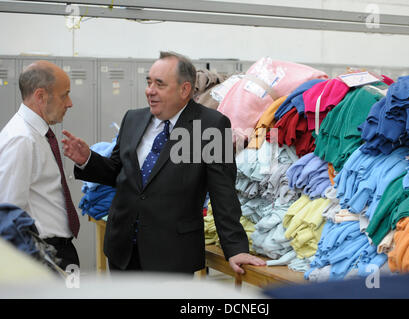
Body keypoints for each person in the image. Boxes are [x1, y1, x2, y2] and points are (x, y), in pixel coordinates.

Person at [62, 51, 266, 274]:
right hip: (122, 249)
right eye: (149, 82)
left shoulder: (210, 125)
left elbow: (222, 191)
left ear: (184, 89)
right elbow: (118, 173)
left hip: (173, 255)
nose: (150, 90)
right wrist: (87, 160)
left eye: (159, 84)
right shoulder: (133, 118)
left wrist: (235, 247)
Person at [0, 60, 80, 270]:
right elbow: (9, 213)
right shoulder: (22, 139)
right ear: (40, 96)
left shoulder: (37, 135)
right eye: (65, 95)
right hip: (43, 255)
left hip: (57, 251)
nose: (70, 103)